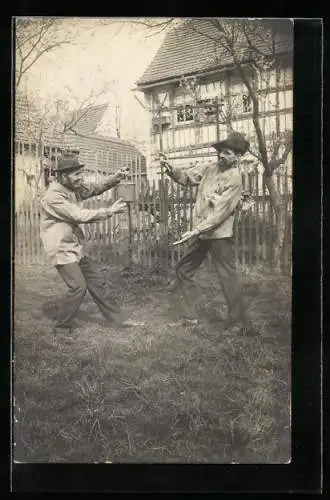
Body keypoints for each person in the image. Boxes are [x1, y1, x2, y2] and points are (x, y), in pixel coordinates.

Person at [161, 131, 253, 334]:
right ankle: (191, 316)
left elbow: (220, 214)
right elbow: (187, 178)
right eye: (220, 152)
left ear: (237, 156)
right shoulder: (210, 168)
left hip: (219, 235)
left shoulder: (235, 180)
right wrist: (171, 170)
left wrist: (195, 231)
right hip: (201, 233)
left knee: (227, 277)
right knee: (183, 271)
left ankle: (239, 323)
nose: (221, 156)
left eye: (226, 152)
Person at [40, 155, 142, 335]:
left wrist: (116, 177)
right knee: (78, 287)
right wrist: (109, 211)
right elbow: (79, 215)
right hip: (61, 249)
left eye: (82, 174)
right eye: (77, 174)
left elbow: (95, 188)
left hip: (75, 246)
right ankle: (62, 329)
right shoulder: (53, 196)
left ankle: (117, 320)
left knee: (96, 283)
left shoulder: (74, 187)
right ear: (63, 176)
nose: (81, 178)